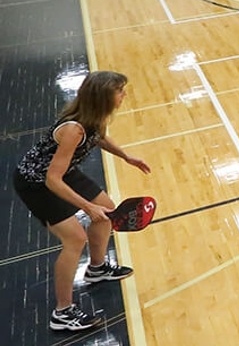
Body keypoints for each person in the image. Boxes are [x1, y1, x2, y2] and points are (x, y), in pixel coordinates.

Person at [12, 70, 151, 332]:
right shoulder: (73, 130)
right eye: (119, 91)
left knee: (108, 209)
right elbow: (52, 179)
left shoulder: (95, 117)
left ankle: (97, 269)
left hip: (63, 172)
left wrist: (126, 156)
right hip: (36, 182)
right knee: (75, 239)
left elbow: (99, 137)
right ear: (103, 97)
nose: (124, 95)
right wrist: (87, 207)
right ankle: (62, 313)